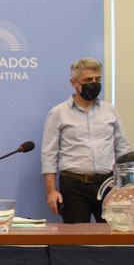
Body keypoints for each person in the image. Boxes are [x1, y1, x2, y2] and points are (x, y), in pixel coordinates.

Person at [41, 57, 131, 223]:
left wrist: (124, 186)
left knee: (112, 236)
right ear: (74, 83)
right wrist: (51, 191)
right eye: (88, 80)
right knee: (76, 241)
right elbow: (49, 155)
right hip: (74, 185)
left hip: (108, 185)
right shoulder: (58, 113)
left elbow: (122, 150)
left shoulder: (110, 111)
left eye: (97, 79)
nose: (94, 83)